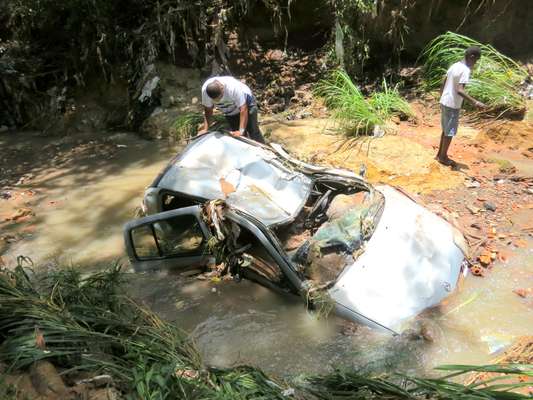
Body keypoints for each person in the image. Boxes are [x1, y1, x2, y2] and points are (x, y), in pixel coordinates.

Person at [436, 46, 486, 166]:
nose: (475, 63)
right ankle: (443, 157)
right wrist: (476, 102)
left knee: (445, 130)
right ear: (472, 57)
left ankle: (440, 154)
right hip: (452, 104)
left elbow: (443, 82)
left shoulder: (455, 65)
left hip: (445, 101)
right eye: (476, 60)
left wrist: (441, 96)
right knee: (450, 131)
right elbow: (460, 90)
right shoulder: (465, 70)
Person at [198, 76, 265, 143]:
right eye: (215, 100)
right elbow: (208, 110)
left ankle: (263, 150)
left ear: (222, 88)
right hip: (229, 111)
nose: (218, 101)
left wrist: (241, 130)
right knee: (237, 136)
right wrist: (205, 129)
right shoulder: (205, 91)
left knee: (253, 131)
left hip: (247, 104)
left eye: (220, 97)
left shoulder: (233, 88)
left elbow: (243, 109)